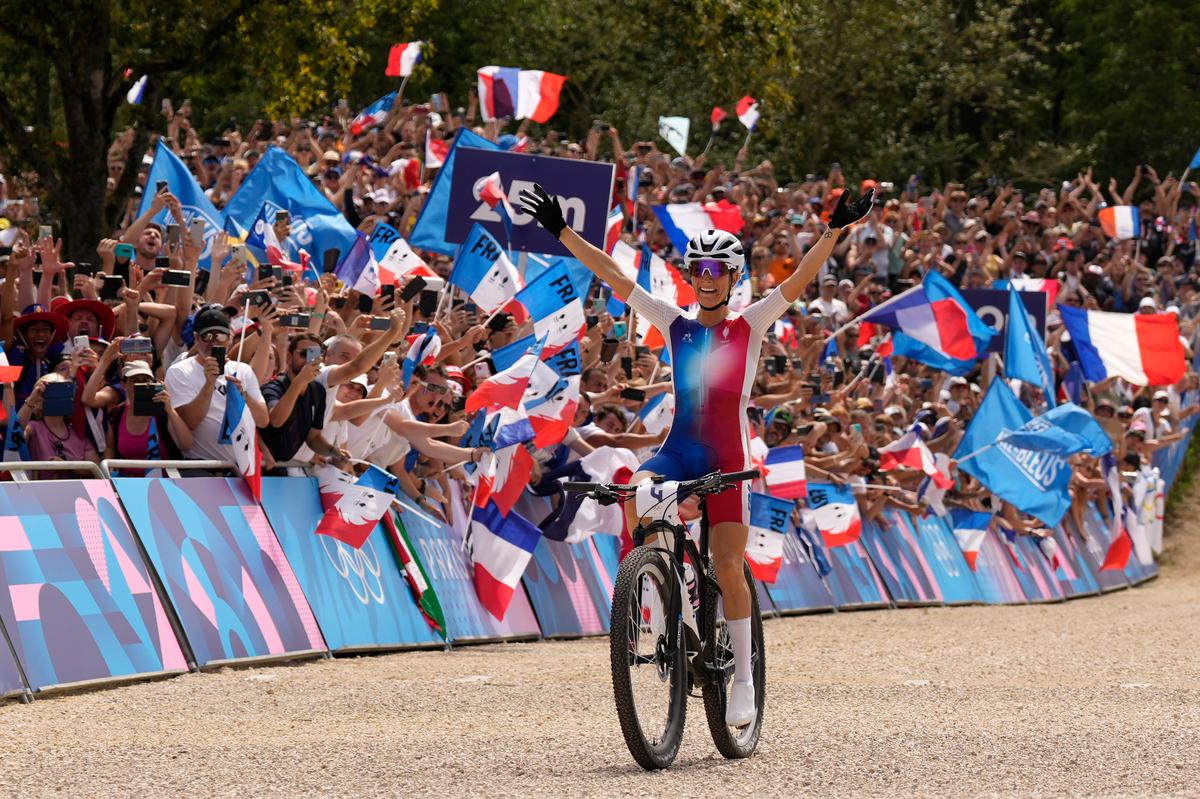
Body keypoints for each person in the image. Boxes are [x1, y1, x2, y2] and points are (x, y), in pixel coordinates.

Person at [521, 181, 872, 727]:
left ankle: (743, 679)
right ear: (691, 276)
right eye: (698, 270)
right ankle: (657, 587)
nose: (706, 280)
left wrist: (833, 229)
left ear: (733, 279)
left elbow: (800, 279)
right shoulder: (675, 324)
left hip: (727, 458)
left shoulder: (749, 324)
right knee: (634, 490)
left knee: (729, 563)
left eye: (717, 271)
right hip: (679, 449)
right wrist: (561, 231)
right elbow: (615, 275)